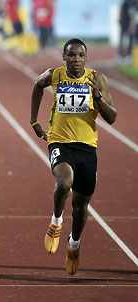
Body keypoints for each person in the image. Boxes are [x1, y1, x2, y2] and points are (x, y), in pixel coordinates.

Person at [30, 38, 117, 275]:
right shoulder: (54, 75)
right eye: (71, 55)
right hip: (59, 141)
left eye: (80, 55)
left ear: (86, 58)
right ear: (63, 57)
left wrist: (97, 96)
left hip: (87, 148)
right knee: (64, 182)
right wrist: (34, 121)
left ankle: (74, 244)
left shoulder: (97, 79)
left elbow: (112, 118)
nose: (76, 60)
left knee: (80, 208)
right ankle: (56, 222)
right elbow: (37, 85)